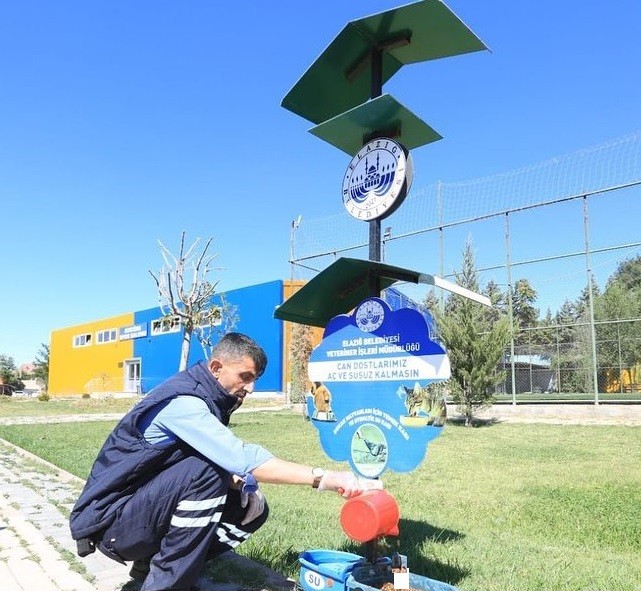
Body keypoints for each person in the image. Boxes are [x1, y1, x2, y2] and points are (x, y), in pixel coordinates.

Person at [69, 332, 379, 591]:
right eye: (245, 377)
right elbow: (241, 458)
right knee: (207, 474)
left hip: (138, 511)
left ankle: (157, 568)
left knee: (250, 506)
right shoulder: (184, 403)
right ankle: (166, 583)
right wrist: (324, 478)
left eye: (255, 378)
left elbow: (191, 463)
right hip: (111, 523)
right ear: (217, 367)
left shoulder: (207, 397)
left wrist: (238, 482)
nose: (251, 387)